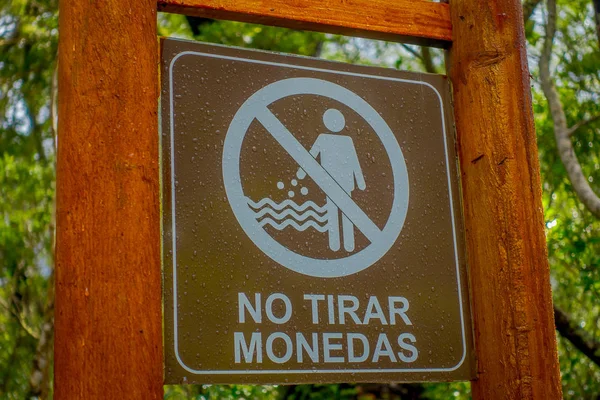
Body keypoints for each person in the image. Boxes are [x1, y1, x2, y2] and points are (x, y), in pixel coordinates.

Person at [297, 108, 366, 252]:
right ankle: (338, 245)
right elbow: (312, 156)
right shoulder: (324, 138)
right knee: (338, 212)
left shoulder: (345, 140)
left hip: (336, 182)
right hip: (333, 182)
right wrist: (301, 172)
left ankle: (345, 245)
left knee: (341, 212)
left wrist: (360, 181)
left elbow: (353, 161)